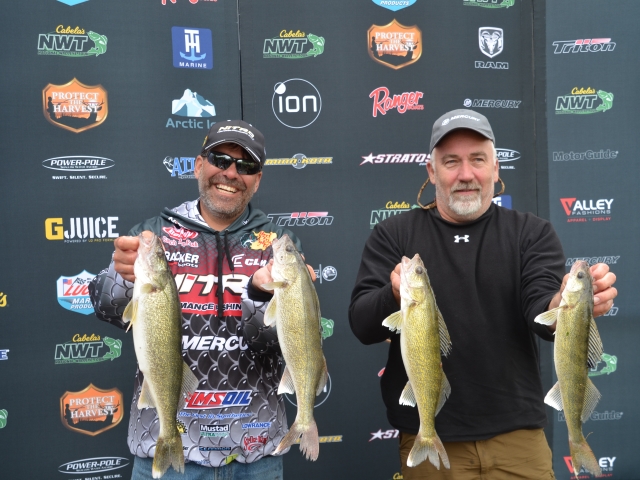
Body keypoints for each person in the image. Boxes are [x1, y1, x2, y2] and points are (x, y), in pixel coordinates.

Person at [348, 109, 617, 480]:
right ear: (431, 172)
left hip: (518, 439)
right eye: (451, 162)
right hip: (431, 438)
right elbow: (362, 325)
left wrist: (569, 307)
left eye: (477, 160)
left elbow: (541, 311)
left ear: (495, 168)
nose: (466, 174)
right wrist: (393, 295)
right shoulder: (394, 234)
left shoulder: (532, 233)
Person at [89, 120, 308, 480]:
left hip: (255, 454)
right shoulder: (155, 234)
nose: (231, 173)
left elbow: (279, 344)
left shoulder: (278, 244)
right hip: (166, 450)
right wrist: (121, 277)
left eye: (245, 166)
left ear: (257, 180)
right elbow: (107, 308)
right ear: (198, 166)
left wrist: (260, 294)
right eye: (220, 160)